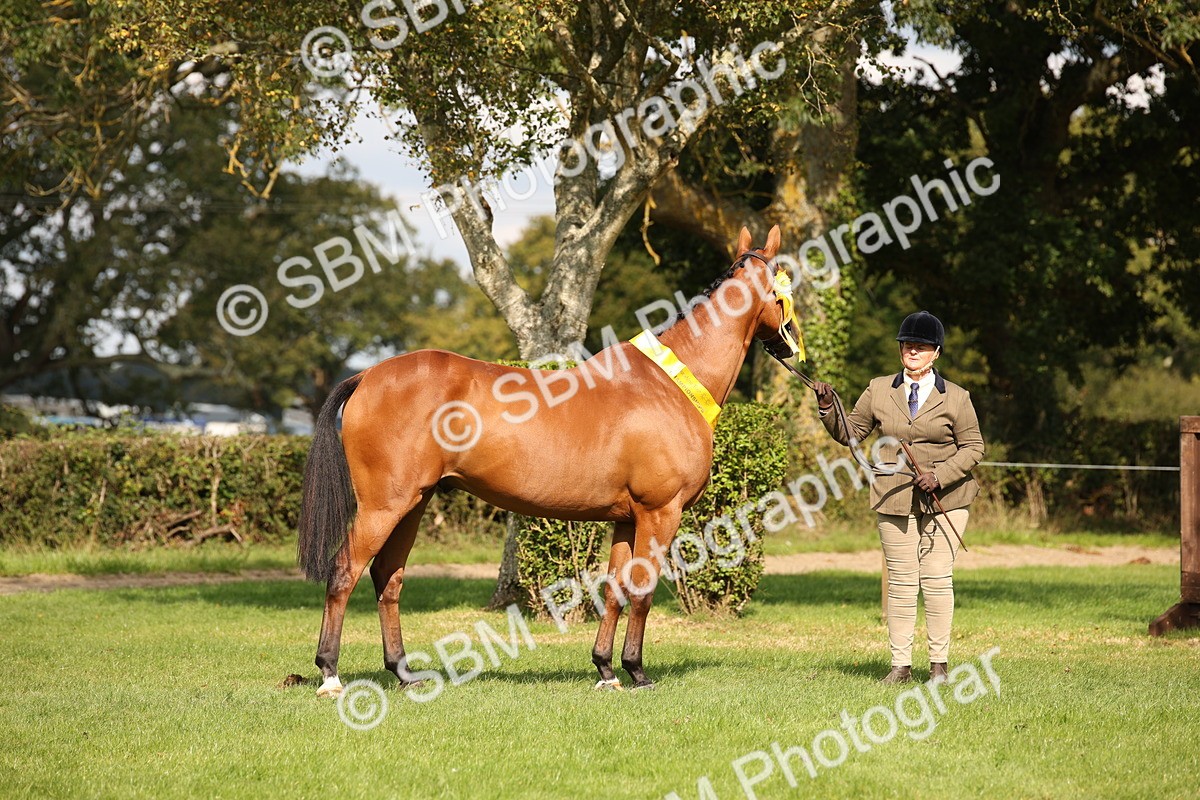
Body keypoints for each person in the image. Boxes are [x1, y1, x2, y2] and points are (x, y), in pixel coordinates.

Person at [811, 311, 984, 684]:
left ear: (936, 352)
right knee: (902, 583)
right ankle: (900, 666)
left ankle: (939, 666)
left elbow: (974, 447)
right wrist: (827, 408)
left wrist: (939, 475)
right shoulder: (878, 389)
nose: (913, 351)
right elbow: (851, 433)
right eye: (907, 345)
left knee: (936, 578)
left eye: (921, 346)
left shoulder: (957, 397)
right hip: (893, 496)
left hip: (948, 499)